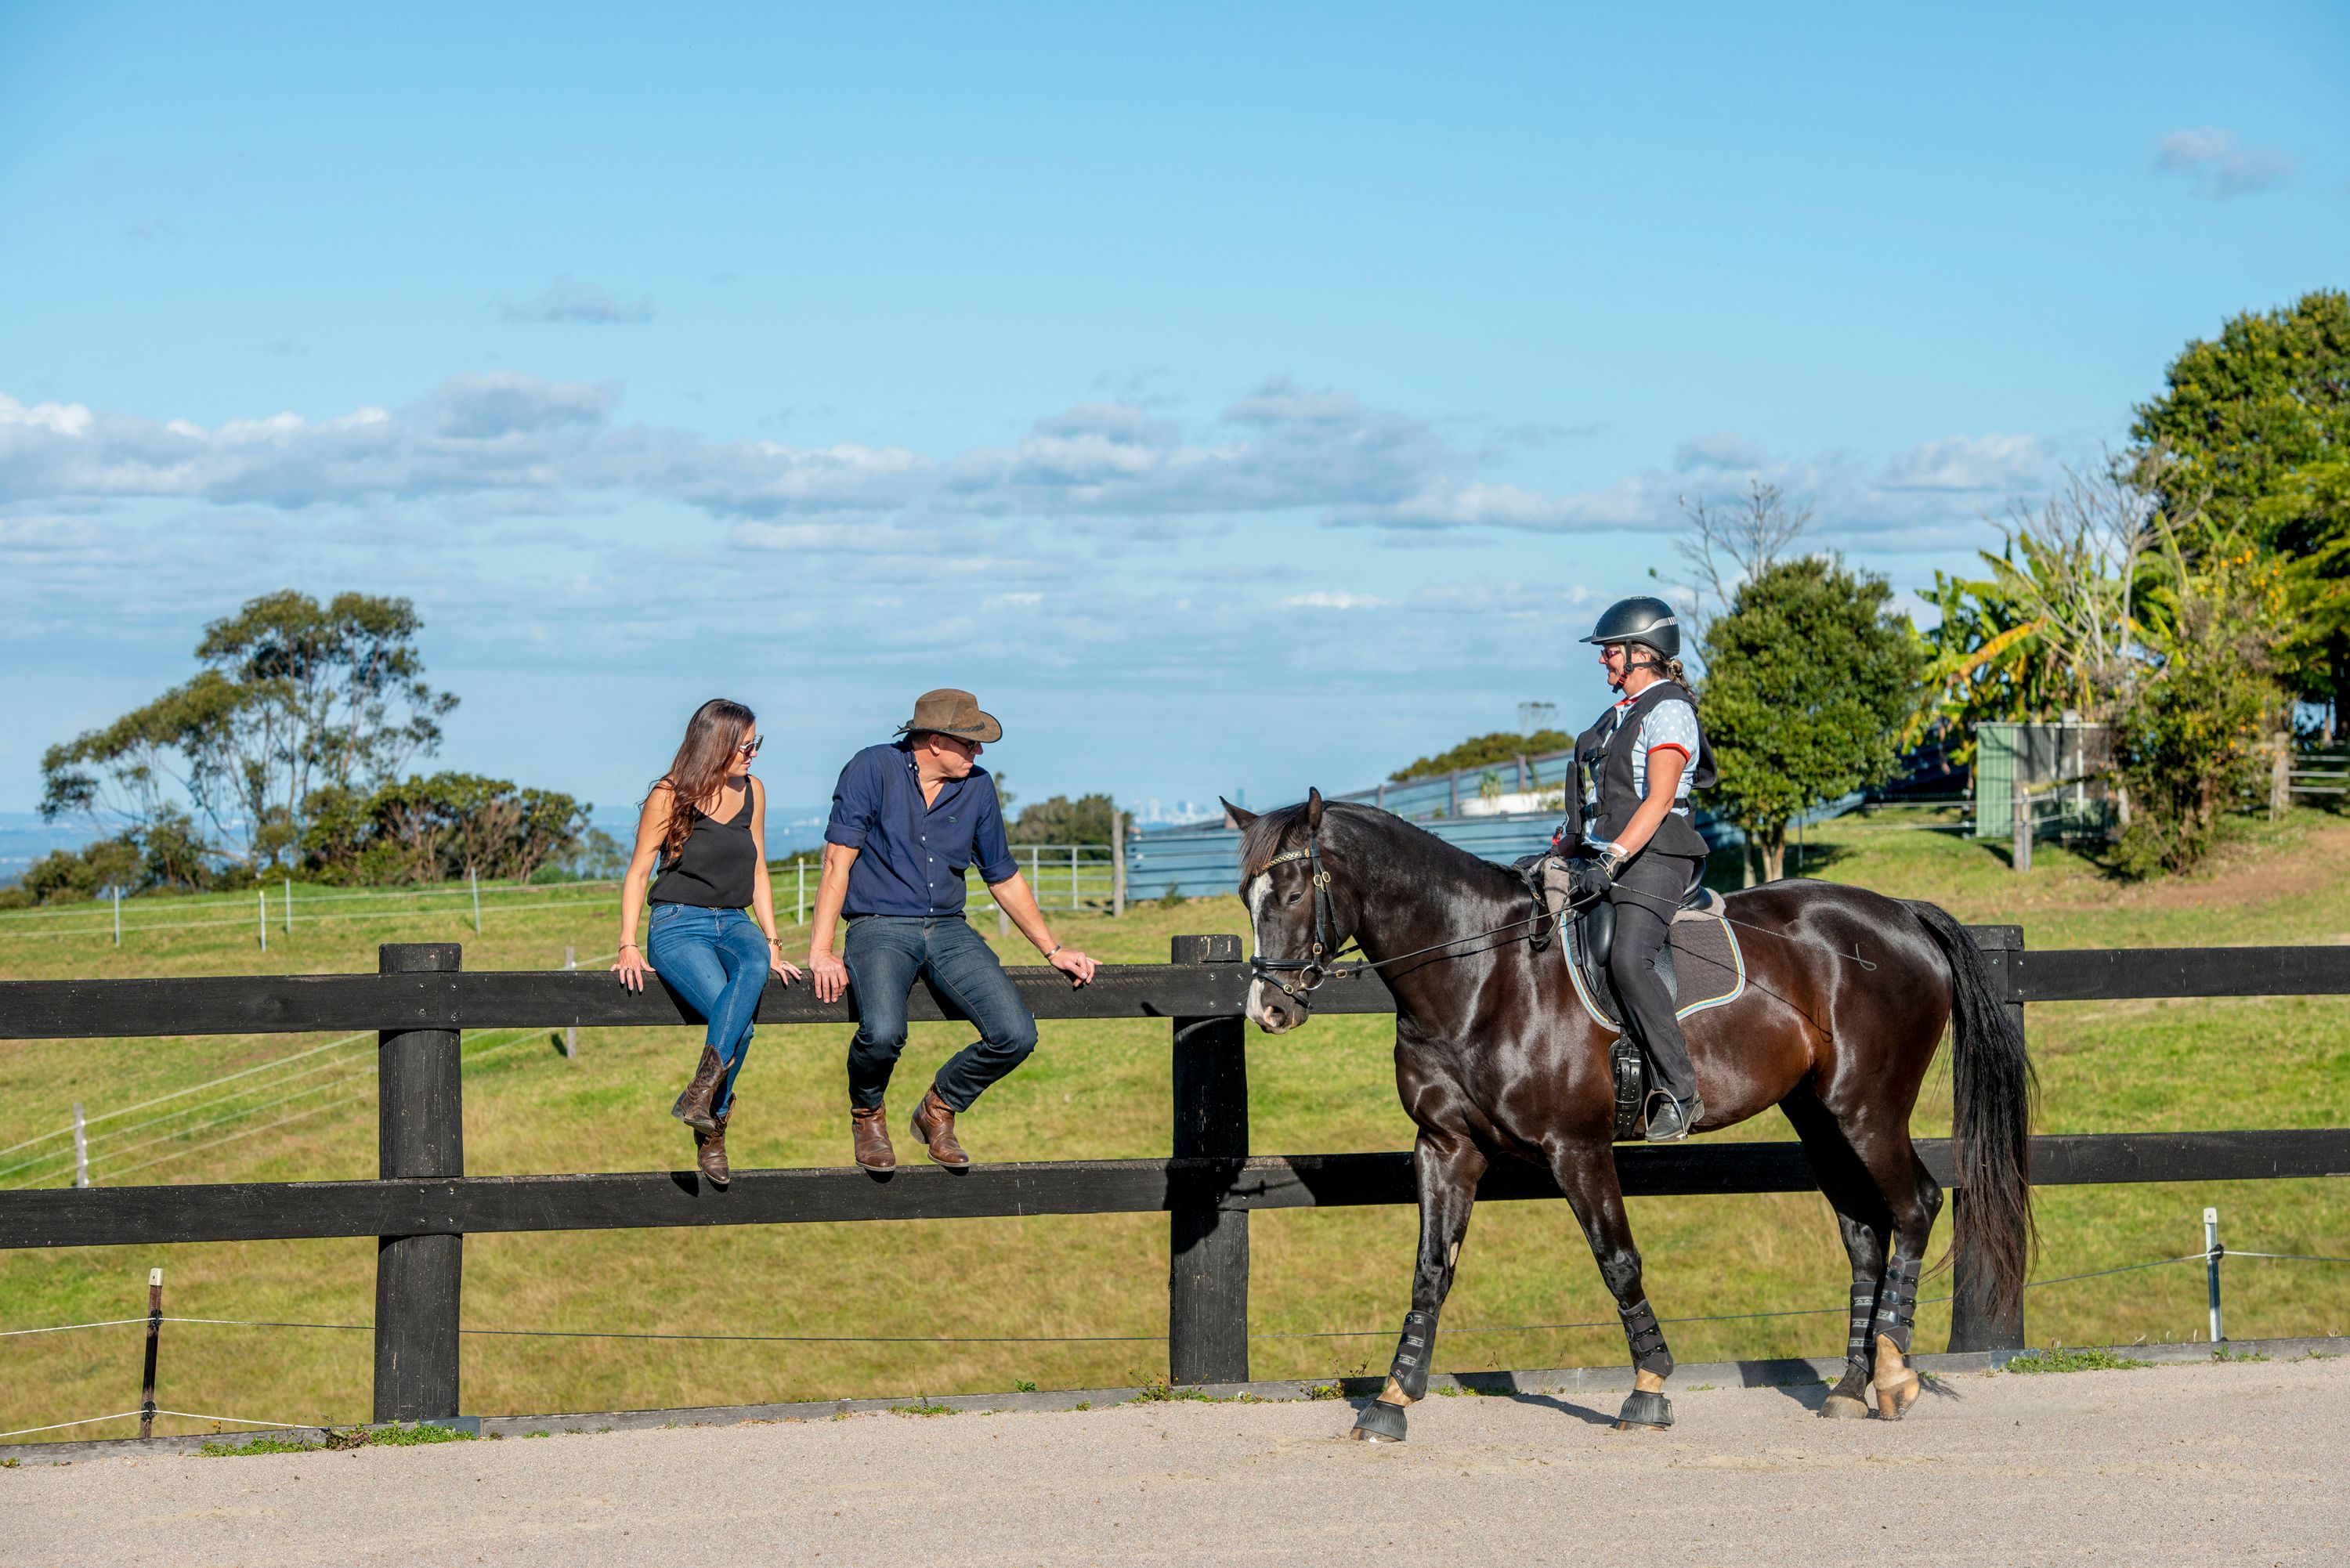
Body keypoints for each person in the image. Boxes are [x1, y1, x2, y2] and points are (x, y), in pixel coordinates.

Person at [806, 688, 1098, 1170]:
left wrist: (1054, 949)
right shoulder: (872, 768)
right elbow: (838, 860)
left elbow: (1001, 874)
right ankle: (867, 1113)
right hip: (879, 924)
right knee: (881, 1033)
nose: (978, 752)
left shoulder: (978, 786)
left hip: (949, 928)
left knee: (1016, 1033)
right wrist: (821, 950)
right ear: (937, 741)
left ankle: (938, 1107)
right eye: (971, 742)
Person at [614, 698, 802, 1186]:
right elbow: (638, 874)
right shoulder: (670, 793)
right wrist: (627, 945)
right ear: (716, 743)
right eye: (745, 745)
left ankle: (699, 1099)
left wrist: (774, 940)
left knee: (755, 965)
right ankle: (712, 1129)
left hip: (736, 923)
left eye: (756, 743)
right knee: (740, 1027)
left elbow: (758, 867)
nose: (753, 753)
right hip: (678, 923)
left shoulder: (755, 790)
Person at [1556, 596, 1718, 1142]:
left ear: (1641, 654)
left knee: (1629, 958)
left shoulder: (1669, 710)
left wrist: (1612, 858)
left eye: (1610, 653)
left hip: (1657, 855)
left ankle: (1679, 1089)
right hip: (1607, 852)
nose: (1604, 661)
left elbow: (1657, 801)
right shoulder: (1617, 715)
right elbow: (1606, 799)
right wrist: (1565, 849)